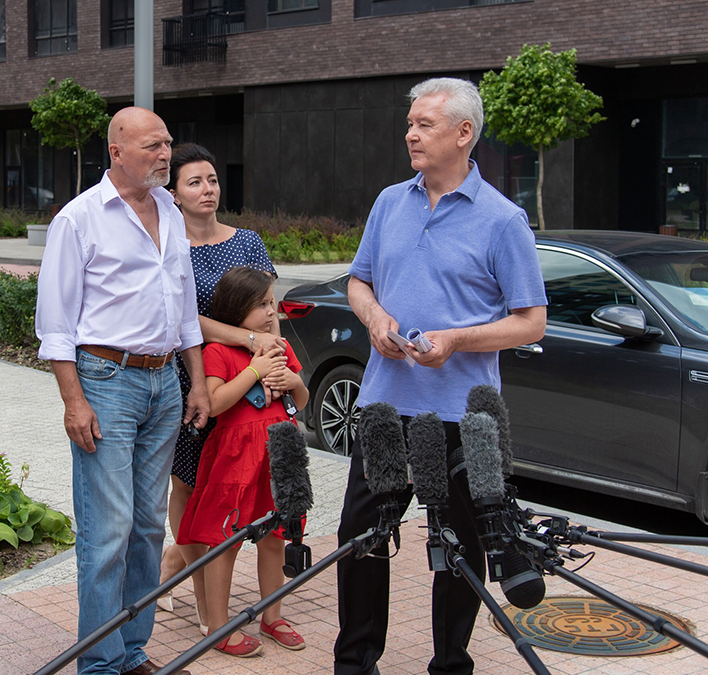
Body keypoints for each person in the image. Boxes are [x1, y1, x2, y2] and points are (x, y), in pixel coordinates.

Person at [333, 77, 547, 675]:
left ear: (463, 133)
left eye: (424, 125)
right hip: (383, 404)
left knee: (458, 553)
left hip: (463, 415)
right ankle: (354, 665)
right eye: (410, 124)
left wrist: (456, 341)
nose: (410, 134)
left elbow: (531, 323)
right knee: (361, 542)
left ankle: (450, 665)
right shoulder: (388, 202)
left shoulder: (503, 221)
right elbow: (359, 280)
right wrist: (374, 318)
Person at [35, 107, 211, 675]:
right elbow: (56, 326)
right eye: (152, 146)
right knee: (107, 532)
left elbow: (185, 307)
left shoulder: (169, 209)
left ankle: (132, 652)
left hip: (164, 382)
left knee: (146, 528)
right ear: (117, 152)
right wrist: (73, 400)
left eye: (167, 143)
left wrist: (199, 381)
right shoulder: (79, 219)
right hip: (105, 383)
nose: (165, 155)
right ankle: (101, 665)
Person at [157, 143, 279, 627]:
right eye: (194, 182)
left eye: (211, 179)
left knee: (240, 482)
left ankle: (176, 564)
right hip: (194, 377)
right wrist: (249, 340)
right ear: (175, 195)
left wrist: (274, 360)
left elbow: (272, 308)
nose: (207, 189)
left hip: (250, 379)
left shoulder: (248, 241)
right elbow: (187, 319)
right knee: (189, 481)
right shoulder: (170, 247)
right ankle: (204, 592)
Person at [176, 266, 310, 657]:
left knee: (275, 538)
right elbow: (214, 403)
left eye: (271, 303)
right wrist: (255, 370)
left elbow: (299, 401)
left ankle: (273, 615)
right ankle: (219, 626)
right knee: (226, 540)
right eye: (262, 305)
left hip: (279, 457)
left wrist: (294, 384)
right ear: (236, 310)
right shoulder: (218, 351)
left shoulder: (278, 348)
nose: (271, 312)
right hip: (235, 462)